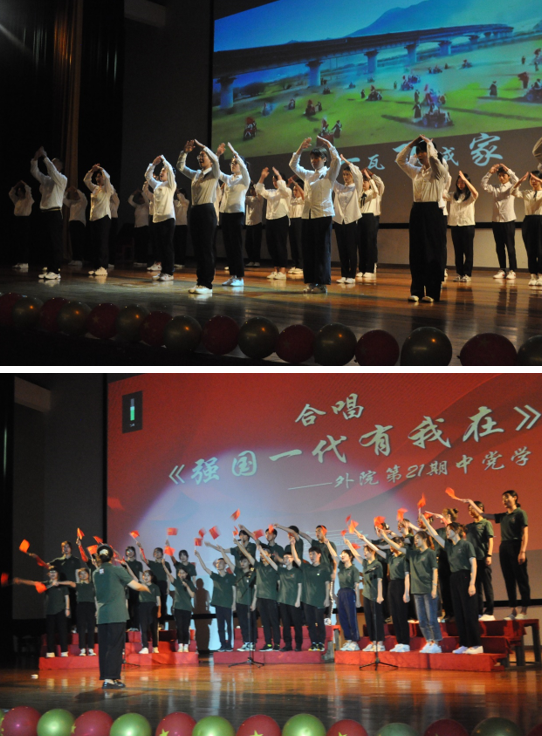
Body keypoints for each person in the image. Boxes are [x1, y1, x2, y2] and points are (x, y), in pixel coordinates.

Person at [460, 491, 530, 620]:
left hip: (516, 545)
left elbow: (525, 532)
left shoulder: (520, 513)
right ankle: (513, 611)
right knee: (509, 580)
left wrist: (523, 551)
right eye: (503, 499)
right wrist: (470, 502)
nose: (504, 501)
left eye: (507, 498)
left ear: (515, 498)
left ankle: (524, 611)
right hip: (504, 547)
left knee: (521, 579)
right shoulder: (503, 516)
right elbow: (483, 514)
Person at [396, 135, 448, 302]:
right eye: (418, 153)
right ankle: (417, 290)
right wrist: (411, 144)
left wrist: (429, 144)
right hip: (417, 211)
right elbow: (400, 160)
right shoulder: (416, 172)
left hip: (433, 212)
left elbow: (434, 159)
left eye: (422, 152)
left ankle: (432, 292)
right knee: (416, 252)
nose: (419, 156)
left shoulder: (439, 171)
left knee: (433, 252)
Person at [422, 516, 483, 654]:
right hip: (454, 578)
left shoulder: (466, 545)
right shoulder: (449, 547)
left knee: (469, 612)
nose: (447, 532)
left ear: (456, 531)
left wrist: (472, 583)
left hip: (465, 577)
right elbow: (434, 535)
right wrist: (425, 521)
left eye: (449, 530)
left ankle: (476, 644)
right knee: (459, 613)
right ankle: (464, 644)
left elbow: (474, 564)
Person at [92, 544, 149, 688]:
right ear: (112, 556)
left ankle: (109, 677)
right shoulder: (117, 570)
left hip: (102, 616)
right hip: (116, 614)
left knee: (105, 648)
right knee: (115, 647)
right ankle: (110, 679)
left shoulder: (95, 573)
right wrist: (146, 588)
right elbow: (136, 586)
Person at [289, 136, 341, 294]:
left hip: (323, 215)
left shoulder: (329, 173)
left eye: (317, 158)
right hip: (308, 216)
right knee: (309, 250)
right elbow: (293, 165)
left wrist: (330, 146)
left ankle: (322, 284)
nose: (314, 161)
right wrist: (300, 149)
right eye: (312, 158)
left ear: (324, 159)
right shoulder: (308, 174)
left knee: (322, 250)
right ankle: (312, 282)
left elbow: (337, 161)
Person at [387, 523, 442, 653]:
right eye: (415, 539)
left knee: (431, 619)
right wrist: (385, 536)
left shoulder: (430, 553)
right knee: (422, 620)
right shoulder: (413, 554)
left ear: (424, 539)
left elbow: (434, 570)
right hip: (416, 591)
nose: (416, 541)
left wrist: (434, 588)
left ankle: (437, 643)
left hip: (428, 589)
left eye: (418, 538)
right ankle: (429, 641)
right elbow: (398, 547)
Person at [177, 139, 221, 295]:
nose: (201, 158)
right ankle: (200, 281)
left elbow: (216, 161)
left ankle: (207, 284)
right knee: (198, 248)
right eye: (200, 156)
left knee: (206, 248)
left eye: (204, 156)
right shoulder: (196, 174)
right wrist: (184, 153)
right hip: (195, 210)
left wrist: (204, 147)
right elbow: (180, 167)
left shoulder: (214, 173)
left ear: (210, 159)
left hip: (207, 211)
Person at [30, 146, 67, 280]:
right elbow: (35, 172)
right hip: (45, 212)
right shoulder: (46, 180)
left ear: (59, 167)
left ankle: (56, 271)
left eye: (54, 163)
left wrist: (45, 157)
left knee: (55, 242)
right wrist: (35, 159)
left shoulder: (62, 179)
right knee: (47, 243)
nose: (51, 164)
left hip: (54, 213)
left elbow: (51, 170)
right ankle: (50, 269)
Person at [239, 538, 281, 651]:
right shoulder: (258, 566)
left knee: (274, 622)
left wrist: (280, 597)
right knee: (265, 622)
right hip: (261, 599)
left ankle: (277, 643)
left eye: (264, 553)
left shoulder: (274, 566)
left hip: (272, 598)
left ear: (269, 555)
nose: (262, 555)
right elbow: (248, 555)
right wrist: (238, 544)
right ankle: (268, 644)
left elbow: (279, 583)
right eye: (261, 554)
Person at [218, 143, 250, 287]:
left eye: (235, 162)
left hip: (237, 215)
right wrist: (217, 156)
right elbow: (217, 172)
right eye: (232, 162)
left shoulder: (244, 179)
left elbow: (245, 170)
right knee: (228, 246)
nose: (233, 164)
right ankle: (233, 275)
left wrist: (235, 154)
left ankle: (240, 277)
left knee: (236, 246)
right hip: (226, 214)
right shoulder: (228, 178)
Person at [344, 538, 384, 652]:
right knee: (369, 619)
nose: (364, 553)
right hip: (366, 594)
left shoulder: (377, 564)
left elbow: (380, 580)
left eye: (366, 551)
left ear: (373, 551)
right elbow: (357, 556)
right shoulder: (366, 563)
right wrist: (349, 545)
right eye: (364, 551)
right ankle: (373, 642)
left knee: (377, 619)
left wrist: (380, 595)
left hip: (375, 595)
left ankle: (380, 643)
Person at [481, 164, 519, 280]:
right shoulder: (495, 187)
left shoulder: (512, 187)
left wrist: (509, 170)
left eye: (504, 175)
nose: (501, 178)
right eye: (499, 176)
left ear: (508, 176)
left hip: (508, 220)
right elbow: (483, 185)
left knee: (510, 247)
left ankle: (512, 270)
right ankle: (502, 269)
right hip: (496, 221)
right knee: (499, 247)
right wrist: (489, 173)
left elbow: (517, 181)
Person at [291, 543, 330, 652]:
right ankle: (314, 643)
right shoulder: (307, 567)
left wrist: (327, 598)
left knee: (320, 622)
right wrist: (292, 545)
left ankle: (321, 643)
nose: (311, 556)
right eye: (310, 554)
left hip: (319, 600)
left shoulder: (324, 568)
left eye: (313, 554)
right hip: (307, 601)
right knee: (310, 623)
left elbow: (327, 584)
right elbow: (296, 559)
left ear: (319, 555)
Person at [195, 547, 235, 651]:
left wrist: (234, 603)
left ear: (225, 565)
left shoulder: (230, 577)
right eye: (217, 563)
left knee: (229, 626)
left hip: (228, 604)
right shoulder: (215, 576)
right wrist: (199, 557)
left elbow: (234, 589)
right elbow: (205, 568)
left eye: (220, 563)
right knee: (220, 626)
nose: (218, 564)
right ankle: (222, 644)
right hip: (218, 605)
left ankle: (229, 645)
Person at [377, 530, 411, 652]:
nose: (390, 547)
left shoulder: (404, 558)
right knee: (394, 615)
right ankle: (399, 641)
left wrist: (406, 592)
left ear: (399, 544)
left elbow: (407, 576)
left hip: (401, 585)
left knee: (401, 614)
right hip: (392, 585)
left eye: (392, 544)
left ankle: (405, 642)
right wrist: (364, 539)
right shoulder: (391, 558)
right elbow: (377, 550)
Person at [255, 167, 292, 281]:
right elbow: (259, 190)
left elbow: (283, 189)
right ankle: (276, 269)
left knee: (280, 245)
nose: (275, 182)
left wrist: (279, 176)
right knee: (271, 246)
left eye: (276, 180)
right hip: (270, 220)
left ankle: (282, 270)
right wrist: (262, 177)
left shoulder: (287, 191)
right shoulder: (271, 192)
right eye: (273, 181)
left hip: (281, 219)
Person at [145, 155, 176, 282]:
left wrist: (165, 161)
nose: (162, 172)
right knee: (160, 247)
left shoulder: (171, 185)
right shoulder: (157, 185)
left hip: (167, 219)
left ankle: (169, 272)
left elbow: (171, 174)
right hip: (157, 219)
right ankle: (163, 271)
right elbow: (148, 176)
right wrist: (153, 164)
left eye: (164, 171)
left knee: (167, 247)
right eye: (161, 170)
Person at [333, 157, 363, 284]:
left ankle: (352, 275)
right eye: (344, 174)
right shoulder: (339, 188)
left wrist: (346, 162)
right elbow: (331, 178)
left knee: (351, 249)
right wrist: (336, 162)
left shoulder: (356, 188)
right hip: (339, 221)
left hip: (351, 221)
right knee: (342, 249)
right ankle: (344, 274)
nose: (345, 177)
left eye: (347, 174)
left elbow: (359, 175)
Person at [445, 171, 478, 282]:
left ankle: (467, 274)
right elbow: (442, 194)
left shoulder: (470, 196)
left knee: (468, 251)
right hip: (455, 225)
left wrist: (466, 180)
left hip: (467, 226)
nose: (461, 184)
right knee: (458, 251)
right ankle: (460, 273)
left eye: (463, 182)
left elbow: (475, 193)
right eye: (459, 182)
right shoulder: (453, 195)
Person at [465, 501, 495, 620]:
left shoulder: (486, 523)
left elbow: (490, 540)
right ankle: (478, 611)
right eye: (468, 509)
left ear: (480, 508)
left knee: (487, 585)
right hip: (473, 561)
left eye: (472, 508)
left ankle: (489, 611)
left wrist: (489, 555)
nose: (470, 511)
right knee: (476, 586)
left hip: (483, 558)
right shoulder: (468, 526)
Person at [511, 171, 542, 286]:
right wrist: (519, 182)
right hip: (528, 221)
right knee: (530, 250)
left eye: (536, 179)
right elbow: (513, 192)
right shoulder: (527, 193)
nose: (533, 181)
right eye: (531, 179)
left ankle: (541, 275)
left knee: (541, 250)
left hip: (540, 220)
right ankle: (533, 275)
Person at [58, 567, 97, 656]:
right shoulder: (78, 585)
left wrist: (97, 610)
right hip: (81, 606)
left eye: (85, 573)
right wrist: (58, 582)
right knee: (81, 628)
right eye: (81, 574)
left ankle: (91, 649)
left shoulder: (92, 585)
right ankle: (82, 649)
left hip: (91, 606)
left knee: (91, 628)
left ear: (88, 574)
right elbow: (69, 582)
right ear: (79, 576)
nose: (83, 575)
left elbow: (96, 598)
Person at [83, 163, 113, 278]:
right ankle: (96, 266)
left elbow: (108, 177)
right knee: (95, 243)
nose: (98, 178)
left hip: (103, 218)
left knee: (102, 243)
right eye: (97, 176)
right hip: (94, 218)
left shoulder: (107, 189)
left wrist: (101, 169)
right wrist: (91, 171)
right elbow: (86, 180)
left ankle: (103, 267)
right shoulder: (95, 188)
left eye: (100, 176)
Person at [330, 545, 360, 651]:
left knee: (351, 618)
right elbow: (334, 556)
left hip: (350, 593)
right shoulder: (341, 567)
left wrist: (358, 600)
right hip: (341, 593)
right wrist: (327, 543)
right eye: (341, 554)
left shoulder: (354, 569)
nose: (342, 556)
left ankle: (355, 642)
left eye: (344, 554)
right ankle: (348, 640)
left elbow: (356, 585)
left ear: (350, 556)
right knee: (342, 618)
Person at [136, 542, 171, 627]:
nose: (156, 553)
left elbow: (168, 576)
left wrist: (168, 587)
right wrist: (140, 548)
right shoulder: (152, 563)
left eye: (158, 552)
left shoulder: (166, 563)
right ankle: (153, 622)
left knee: (162, 603)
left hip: (162, 584)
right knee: (153, 603)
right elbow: (143, 558)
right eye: (155, 552)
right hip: (154, 584)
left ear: (162, 553)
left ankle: (161, 623)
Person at [164, 562, 195, 652]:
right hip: (177, 608)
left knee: (185, 627)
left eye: (183, 573)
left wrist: (187, 586)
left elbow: (192, 595)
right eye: (180, 573)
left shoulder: (190, 583)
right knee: (179, 627)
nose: (181, 574)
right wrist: (164, 565)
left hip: (187, 608)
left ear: (186, 574)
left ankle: (186, 645)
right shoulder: (177, 582)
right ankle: (180, 645)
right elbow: (169, 574)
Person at [357, 169, 381, 281]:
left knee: (370, 243)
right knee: (361, 244)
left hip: (370, 217)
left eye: (365, 182)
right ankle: (362, 269)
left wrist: (370, 178)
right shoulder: (360, 193)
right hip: (360, 217)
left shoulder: (372, 193)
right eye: (362, 182)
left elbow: (376, 190)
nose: (363, 184)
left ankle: (370, 269)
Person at [276, 550, 303, 651]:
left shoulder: (297, 571)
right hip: (283, 601)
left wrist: (298, 600)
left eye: (288, 557)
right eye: (284, 558)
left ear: (292, 559)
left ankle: (298, 644)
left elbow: (300, 586)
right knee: (285, 624)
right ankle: (288, 644)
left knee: (297, 624)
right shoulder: (282, 571)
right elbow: (272, 564)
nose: (285, 559)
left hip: (294, 601)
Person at [9, 180, 34, 271]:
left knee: (24, 242)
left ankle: (25, 262)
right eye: (18, 191)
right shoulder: (17, 200)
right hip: (18, 220)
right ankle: (19, 261)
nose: (19, 193)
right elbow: (11, 194)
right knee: (18, 241)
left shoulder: (28, 200)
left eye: (20, 191)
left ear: (23, 192)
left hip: (25, 221)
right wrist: (15, 186)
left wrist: (24, 184)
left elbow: (29, 191)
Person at [63, 186, 87, 267]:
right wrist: (67, 191)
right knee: (73, 241)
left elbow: (83, 196)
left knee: (79, 241)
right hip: (72, 222)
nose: (76, 195)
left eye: (77, 194)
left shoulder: (83, 202)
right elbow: (63, 199)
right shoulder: (72, 202)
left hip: (80, 223)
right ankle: (74, 259)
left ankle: (79, 259)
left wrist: (76, 190)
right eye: (75, 194)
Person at [128, 189, 150, 267]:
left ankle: (144, 260)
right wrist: (133, 193)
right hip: (137, 227)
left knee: (143, 245)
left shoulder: (147, 206)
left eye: (142, 198)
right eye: (139, 198)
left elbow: (147, 201)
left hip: (144, 227)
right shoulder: (137, 206)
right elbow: (130, 201)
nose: (141, 199)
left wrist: (142, 192)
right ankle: (139, 260)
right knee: (138, 244)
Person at [287, 178, 304, 274]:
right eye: (294, 190)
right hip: (291, 221)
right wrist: (289, 184)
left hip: (299, 221)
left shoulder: (303, 199)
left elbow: (304, 194)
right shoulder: (292, 200)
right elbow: (285, 192)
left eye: (296, 190)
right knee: (292, 243)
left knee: (299, 243)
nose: (295, 192)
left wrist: (296, 184)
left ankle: (300, 265)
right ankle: (294, 264)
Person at [124, 545, 143, 631]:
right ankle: (128, 625)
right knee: (128, 607)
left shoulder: (138, 564)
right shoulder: (124, 563)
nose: (130, 553)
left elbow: (140, 576)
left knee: (136, 607)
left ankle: (136, 625)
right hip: (127, 587)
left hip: (136, 587)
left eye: (131, 551)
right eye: (128, 551)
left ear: (134, 552)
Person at [245, 183, 263, 267]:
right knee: (248, 243)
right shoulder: (248, 198)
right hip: (249, 223)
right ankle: (251, 260)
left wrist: (256, 185)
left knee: (256, 243)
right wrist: (248, 184)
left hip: (257, 223)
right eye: (251, 189)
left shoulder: (259, 199)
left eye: (253, 189)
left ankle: (257, 260)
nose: (252, 191)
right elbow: (243, 196)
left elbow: (260, 193)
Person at [174, 188, 190, 269]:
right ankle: (176, 261)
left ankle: (181, 262)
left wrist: (177, 191)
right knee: (176, 244)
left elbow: (182, 199)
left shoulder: (186, 201)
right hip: (175, 224)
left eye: (182, 193)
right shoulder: (176, 202)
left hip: (183, 225)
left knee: (181, 244)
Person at [108, 186, 120, 268]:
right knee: (106, 241)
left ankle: (111, 261)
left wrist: (111, 189)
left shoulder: (116, 201)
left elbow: (114, 195)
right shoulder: (106, 201)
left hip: (113, 220)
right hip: (107, 220)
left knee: (112, 241)